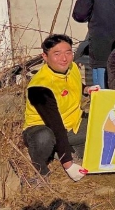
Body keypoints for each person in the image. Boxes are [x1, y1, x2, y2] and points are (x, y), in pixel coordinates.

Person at [22, 34, 99, 183]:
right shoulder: (39, 87)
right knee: (44, 137)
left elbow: (73, 84)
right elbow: (55, 125)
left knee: (104, 126)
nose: (64, 58)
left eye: (68, 52)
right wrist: (68, 165)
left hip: (73, 124)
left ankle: (65, 150)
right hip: (44, 128)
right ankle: (42, 171)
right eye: (57, 54)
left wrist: (86, 89)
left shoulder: (72, 67)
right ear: (45, 56)